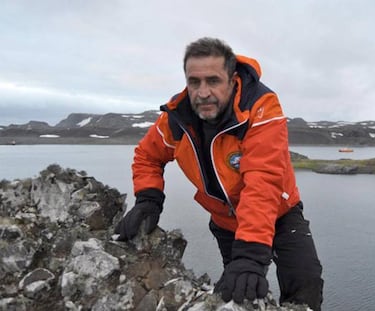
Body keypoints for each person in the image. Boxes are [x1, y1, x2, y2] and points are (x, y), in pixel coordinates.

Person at [115, 37, 324, 310]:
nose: (202, 92)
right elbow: (147, 156)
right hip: (226, 222)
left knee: (305, 284)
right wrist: (148, 198)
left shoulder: (260, 108)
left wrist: (250, 253)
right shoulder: (177, 119)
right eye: (194, 82)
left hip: (280, 213)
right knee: (237, 291)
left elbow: (263, 180)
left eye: (213, 81)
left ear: (232, 79)